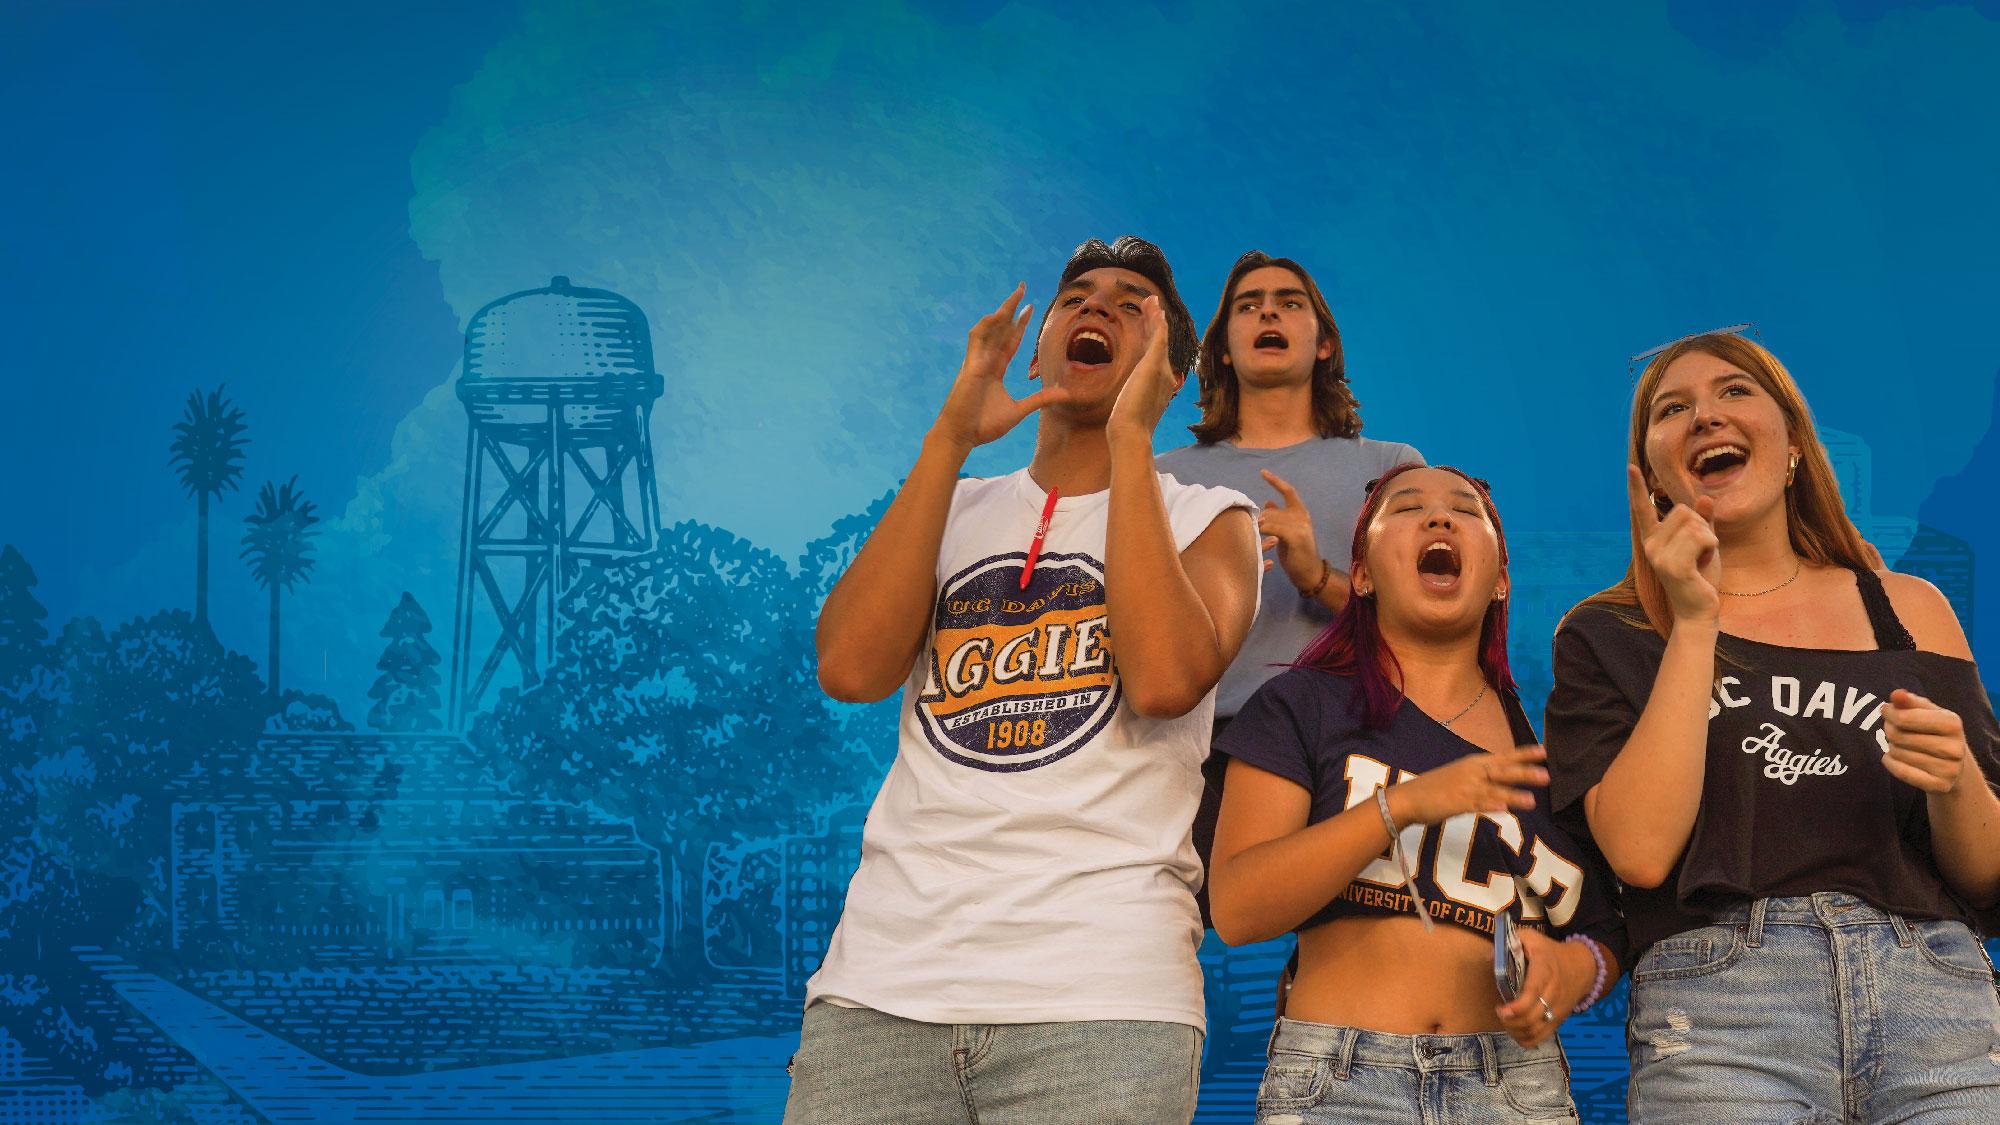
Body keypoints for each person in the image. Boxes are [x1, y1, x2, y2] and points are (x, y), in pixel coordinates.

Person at [785, 236, 1262, 1125]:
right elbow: (850, 669)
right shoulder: (953, 504)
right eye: (1076, 297)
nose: (1096, 308)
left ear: (1170, 368)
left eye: (1132, 306)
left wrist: (1130, 438)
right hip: (882, 989)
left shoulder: (1209, 517)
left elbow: (1164, 679)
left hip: (1101, 999)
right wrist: (949, 438)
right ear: (1036, 348)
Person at [1544, 330, 2000, 1123]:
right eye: (1672, 408)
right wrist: (1692, 622)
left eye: (1733, 393)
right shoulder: (1605, 632)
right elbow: (1640, 853)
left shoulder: (1910, 607)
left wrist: (1959, 777)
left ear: (1792, 441)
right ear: (1651, 471)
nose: (1704, 417)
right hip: (1721, 1012)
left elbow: (1988, 871)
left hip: (1936, 999)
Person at [1209, 463, 1623, 1125]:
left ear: (1501, 580)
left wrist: (1574, 971)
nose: (1438, 517)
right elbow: (1237, 906)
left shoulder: (1551, 747)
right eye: (1406, 507)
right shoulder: (1301, 704)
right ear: (1364, 575)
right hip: (1339, 1083)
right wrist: (1400, 805)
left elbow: (1603, 930)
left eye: (1466, 508)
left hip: (1516, 1088)